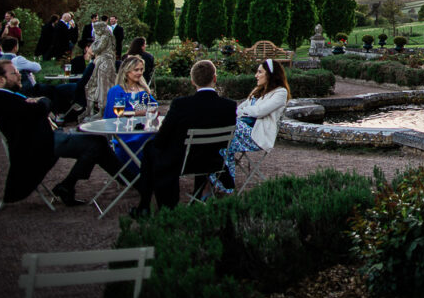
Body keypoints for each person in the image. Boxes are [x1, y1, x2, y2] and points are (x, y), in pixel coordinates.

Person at [0, 58, 120, 206]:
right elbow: (42, 108)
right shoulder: (1, 100)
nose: (20, 75)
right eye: (15, 73)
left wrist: (40, 103)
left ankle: (129, 180)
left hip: (44, 138)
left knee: (97, 143)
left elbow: (37, 110)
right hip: (39, 145)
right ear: (0, 79)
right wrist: (42, 100)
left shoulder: (5, 96)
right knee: (95, 144)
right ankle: (70, 185)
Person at [130, 60, 237, 217]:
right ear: (215, 78)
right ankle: (195, 197)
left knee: (150, 147)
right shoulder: (229, 106)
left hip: (182, 162)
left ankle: (145, 205)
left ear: (192, 81)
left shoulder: (181, 104)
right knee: (162, 148)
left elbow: (161, 140)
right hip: (212, 161)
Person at [212, 58, 291, 193]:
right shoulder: (257, 91)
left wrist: (246, 111)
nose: (256, 75)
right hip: (241, 130)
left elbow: (260, 112)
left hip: (256, 135)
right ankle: (223, 185)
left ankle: (223, 184)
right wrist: (247, 111)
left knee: (224, 131)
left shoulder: (280, 93)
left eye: (260, 72)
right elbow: (238, 109)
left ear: (270, 75)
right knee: (220, 144)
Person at [105, 56, 158, 176]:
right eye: (136, 70)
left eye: (141, 69)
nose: (139, 73)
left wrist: (135, 111)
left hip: (143, 127)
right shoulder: (118, 91)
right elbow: (115, 113)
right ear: (127, 71)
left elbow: (153, 106)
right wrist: (136, 112)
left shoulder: (143, 90)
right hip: (125, 131)